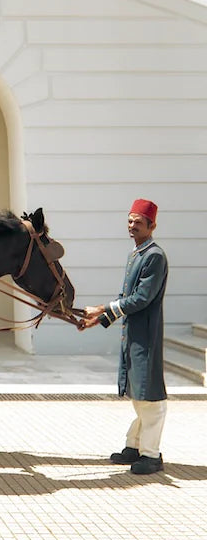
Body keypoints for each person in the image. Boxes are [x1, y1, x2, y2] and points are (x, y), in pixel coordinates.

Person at [79, 198, 168, 475]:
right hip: (133, 333)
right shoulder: (137, 253)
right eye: (130, 221)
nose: (132, 226)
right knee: (137, 393)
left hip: (146, 335)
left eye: (138, 223)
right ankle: (135, 447)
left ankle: (151, 456)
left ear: (152, 226)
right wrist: (98, 320)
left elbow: (141, 298)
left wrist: (103, 308)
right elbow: (126, 299)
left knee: (150, 398)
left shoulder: (154, 256)